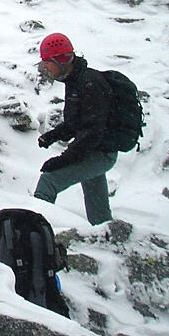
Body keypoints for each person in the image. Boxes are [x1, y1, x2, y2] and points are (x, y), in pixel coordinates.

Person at [34, 32, 117, 225]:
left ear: (61, 60)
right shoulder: (75, 81)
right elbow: (76, 123)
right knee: (98, 207)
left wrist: (62, 160)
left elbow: (92, 132)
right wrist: (52, 137)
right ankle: (106, 235)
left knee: (49, 181)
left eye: (47, 61)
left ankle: (32, 233)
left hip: (100, 153)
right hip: (95, 151)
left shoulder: (90, 83)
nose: (44, 66)